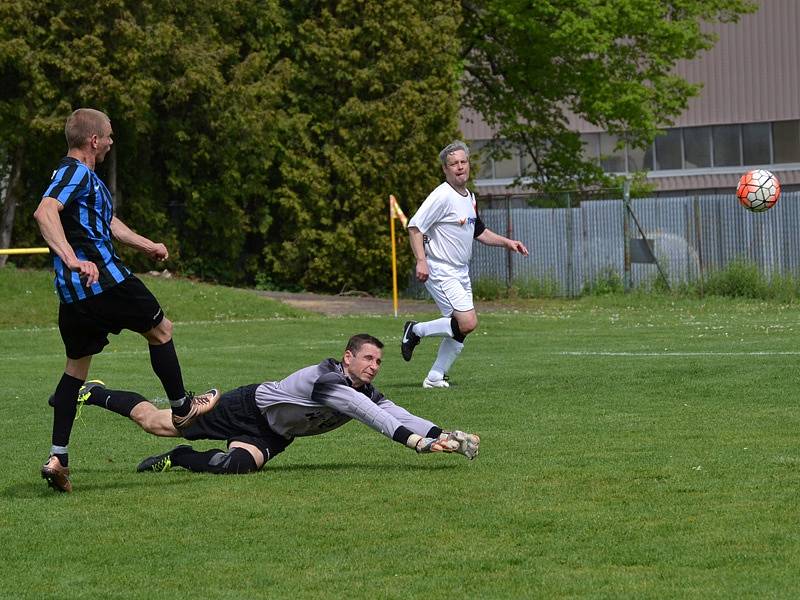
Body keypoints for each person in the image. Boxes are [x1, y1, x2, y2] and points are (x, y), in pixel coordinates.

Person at [33, 108, 219, 493]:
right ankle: (183, 408)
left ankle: (58, 457)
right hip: (106, 282)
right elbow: (44, 211)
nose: (112, 141)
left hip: (74, 297)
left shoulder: (87, 181)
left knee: (75, 370)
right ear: (94, 141)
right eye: (110, 136)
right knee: (161, 330)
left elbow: (109, 224)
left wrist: (147, 244)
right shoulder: (75, 172)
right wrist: (72, 258)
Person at [71, 334, 480, 474]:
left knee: (238, 467)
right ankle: (95, 392)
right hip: (246, 407)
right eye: (368, 358)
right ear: (348, 357)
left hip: (274, 433)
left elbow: (396, 412)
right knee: (156, 423)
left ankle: (179, 459)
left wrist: (442, 434)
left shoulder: (362, 390)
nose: (374, 366)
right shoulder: (328, 382)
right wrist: (414, 444)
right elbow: (368, 415)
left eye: (379, 361)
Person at [402, 140, 528, 388]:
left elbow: (478, 231)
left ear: (469, 165)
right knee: (467, 322)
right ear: (445, 170)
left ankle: (435, 377)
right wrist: (421, 261)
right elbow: (415, 226)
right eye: (453, 164)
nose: (459, 167)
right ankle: (415, 331)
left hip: (460, 271)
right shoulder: (442, 196)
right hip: (441, 269)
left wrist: (507, 242)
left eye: (463, 162)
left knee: (461, 327)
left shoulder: (469, 197)